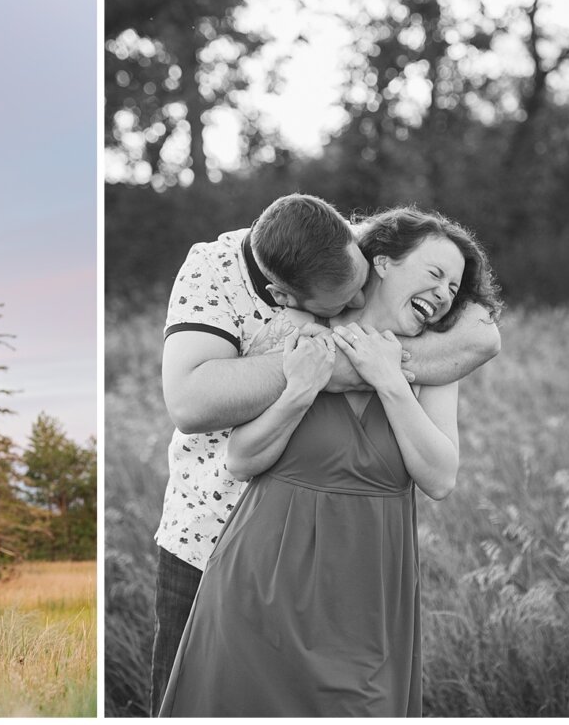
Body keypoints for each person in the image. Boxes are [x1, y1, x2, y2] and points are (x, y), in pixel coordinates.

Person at [151, 194, 502, 714]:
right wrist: (313, 376)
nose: (445, 294)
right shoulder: (280, 317)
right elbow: (200, 413)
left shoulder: (431, 355)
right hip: (225, 549)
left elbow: (480, 340)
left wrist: (390, 374)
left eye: (454, 286)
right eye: (434, 273)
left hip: (365, 595)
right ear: (382, 262)